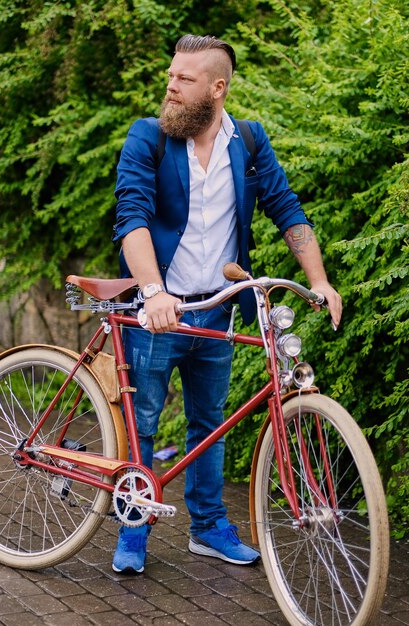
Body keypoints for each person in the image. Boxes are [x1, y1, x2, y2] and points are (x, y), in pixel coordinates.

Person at [112, 34, 342, 575]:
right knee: (143, 422)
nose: (170, 87)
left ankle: (209, 526)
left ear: (217, 88)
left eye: (183, 80)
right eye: (170, 75)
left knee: (209, 423)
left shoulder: (251, 142)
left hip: (214, 307)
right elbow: (132, 217)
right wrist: (153, 292)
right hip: (156, 313)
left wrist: (321, 281)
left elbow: (288, 211)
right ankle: (134, 526)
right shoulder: (148, 138)